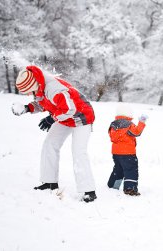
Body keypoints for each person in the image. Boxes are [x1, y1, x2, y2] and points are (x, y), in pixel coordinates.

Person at [11, 65, 97, 203]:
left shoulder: (53, 88)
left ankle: (89, 191)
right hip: (65, 118)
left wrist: (51, 119)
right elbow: (44, 104)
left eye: (28, 91)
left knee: (78, 152)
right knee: (49, 145)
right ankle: (49, 182)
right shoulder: (40, 85)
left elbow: (69, 108)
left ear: (32, 85)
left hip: (82, 117)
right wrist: (27, 108)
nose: (29, 94)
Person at [107, 104, 147, 196]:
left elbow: (112, 137)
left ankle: (112, 185)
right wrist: (142, 122)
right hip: (127, 152)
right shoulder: (128, 124)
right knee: (131, 170)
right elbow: (137, 132)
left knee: (119, 169)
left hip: (116, 153)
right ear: (129, 114)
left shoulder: (113, 124)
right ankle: (130, 189)